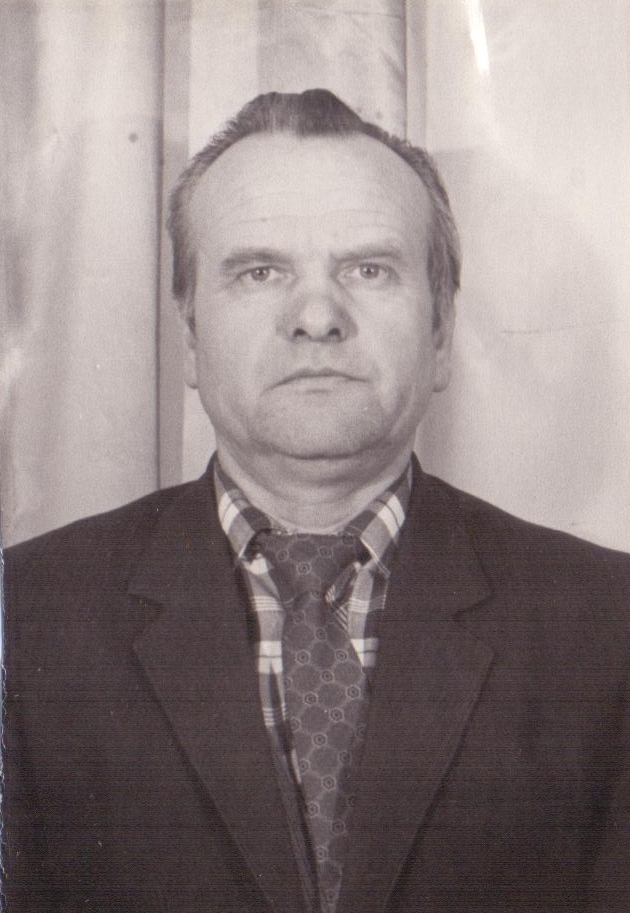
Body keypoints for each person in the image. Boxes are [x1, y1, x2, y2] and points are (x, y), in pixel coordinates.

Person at [3, 89, 629, 913]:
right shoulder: (24, 615)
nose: (317, 316)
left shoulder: (609, 622)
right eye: (260, 272)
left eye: (368, 269)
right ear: (189, 334)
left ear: (442, 332)